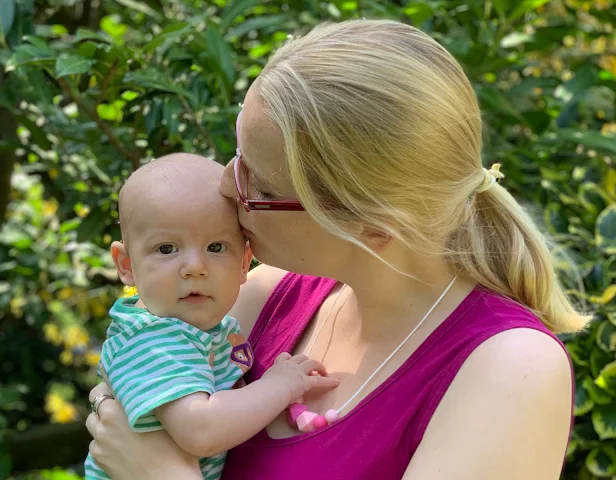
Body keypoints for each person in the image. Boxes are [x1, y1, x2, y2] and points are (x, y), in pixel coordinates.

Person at [85, 19, 588, 480]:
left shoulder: (509, 371)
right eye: (238, 156)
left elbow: (139, 449)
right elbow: (126, 398)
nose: (222, 186)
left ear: (370, 225)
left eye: (256, 184)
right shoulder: (257, 300)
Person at [84, 154, 339, 480]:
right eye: (166, 249)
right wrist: (281, 386)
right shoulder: (150, 339)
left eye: (216, 247)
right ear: (126, 265)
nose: (195, 267)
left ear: (245, 262)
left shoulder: (215, 330)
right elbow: (200, 429)